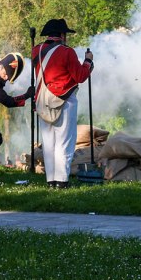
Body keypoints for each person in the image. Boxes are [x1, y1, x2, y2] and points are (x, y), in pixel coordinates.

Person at [32, 19, 93, 188]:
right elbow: (80, 76)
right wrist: (88, 61)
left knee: (49, 144)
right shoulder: (68, 52)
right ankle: (62, 181)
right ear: (62, 35)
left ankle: (51, 181)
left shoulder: (36, 51)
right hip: (64, 100)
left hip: (42, 101)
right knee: (64, 142)